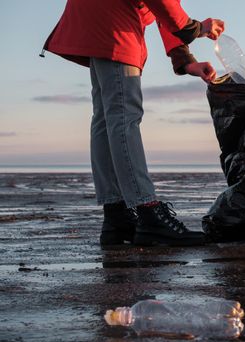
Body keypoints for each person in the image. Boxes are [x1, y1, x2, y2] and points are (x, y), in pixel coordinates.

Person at [41, 0, 224, 247]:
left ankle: (117, 216)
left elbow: (162, 11)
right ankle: (148, 212)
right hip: (114, 20)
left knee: (107, 119)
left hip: (98, 17)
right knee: (124, 116)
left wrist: (185, 59)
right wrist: (195, 28)